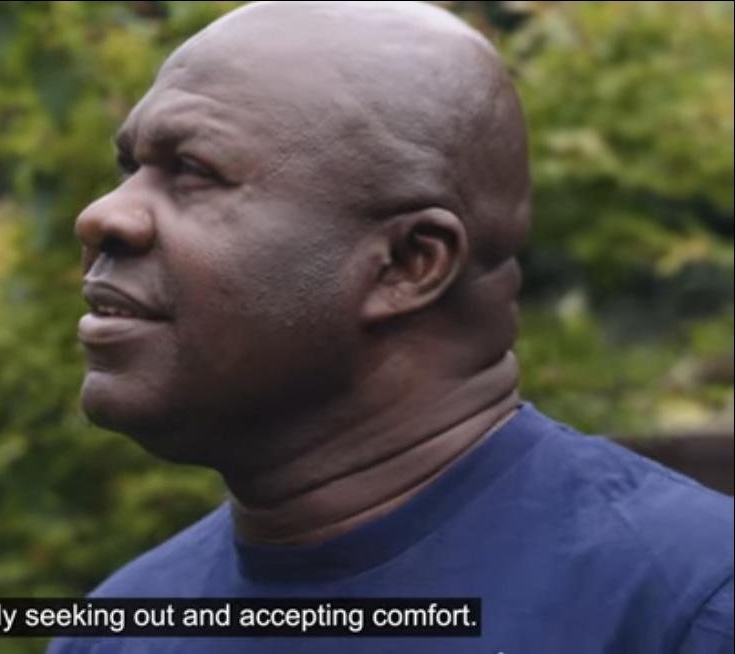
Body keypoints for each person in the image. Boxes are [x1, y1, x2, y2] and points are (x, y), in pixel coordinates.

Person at [53, 2, 734, 652]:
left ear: (409, 263)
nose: (103, 216)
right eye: (129, 169)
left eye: (194, 172)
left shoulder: (686, 608)